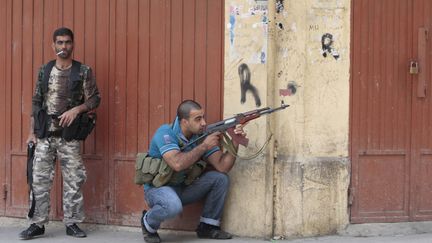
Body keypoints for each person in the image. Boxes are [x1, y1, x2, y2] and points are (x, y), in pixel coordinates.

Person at [18, 27, 101, 240]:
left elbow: (94, 99)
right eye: (59, 43)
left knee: (74, 180)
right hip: (45, 135)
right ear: (53, 45)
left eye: (67, 42)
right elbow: (36, 102)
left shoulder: (83, 71)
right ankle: (37, 224)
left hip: (69, 136)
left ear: (73, 44)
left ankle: (72, 223)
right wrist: (31, 133)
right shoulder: (44, 71)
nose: (63, 47)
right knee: (38, 180)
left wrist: (76, 109)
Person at [140, 100, 246, 243]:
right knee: (173, 205)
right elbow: (177, 164)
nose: (203, 123)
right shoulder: (165, 133)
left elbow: (223, 166)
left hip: (182, 188)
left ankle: (207, 227)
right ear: (184, 122)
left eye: (203, 117)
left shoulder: (200, 135)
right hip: (158, 189)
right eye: (198, 119)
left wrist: (235, 139)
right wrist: (204, 147)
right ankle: (148, 223)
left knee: (220, 178)